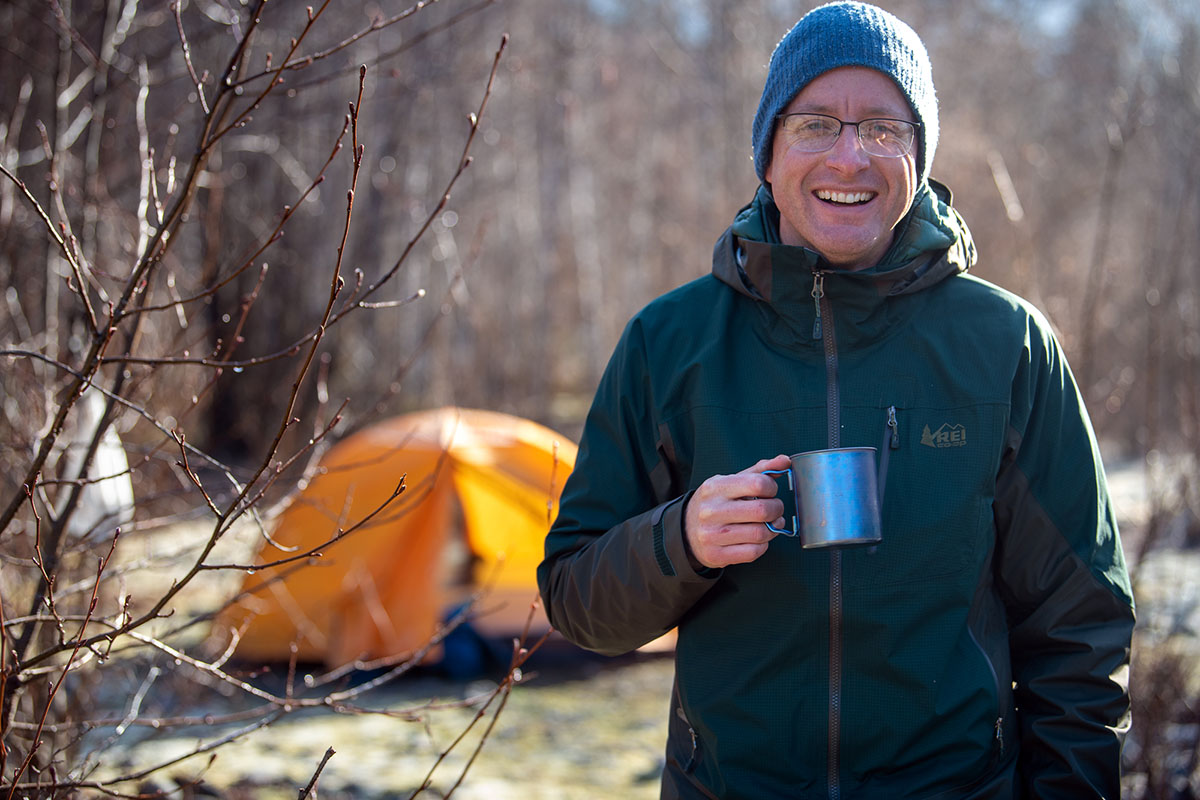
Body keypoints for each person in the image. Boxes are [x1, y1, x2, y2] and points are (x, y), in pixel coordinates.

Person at [537, 2, 1136, 798]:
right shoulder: (668, 343)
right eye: (816, 123)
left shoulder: (1008, 346)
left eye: (884, 129)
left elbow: (1081, 629)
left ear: (918, 156)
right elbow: (577, 602)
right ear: (768, 152)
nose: (850, 157)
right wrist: (679, 539)